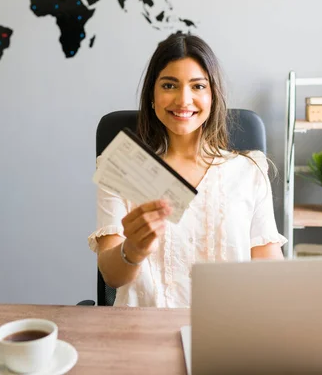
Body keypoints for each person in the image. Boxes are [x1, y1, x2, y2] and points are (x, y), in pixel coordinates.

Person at [88, 33, 287, 307]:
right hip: (142, 335)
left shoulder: (248, 171)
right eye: (169, 85)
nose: (183, 100)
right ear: (152, 96)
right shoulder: (123, 168)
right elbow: (111, 277)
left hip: (227, 334)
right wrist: (132, 249)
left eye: (198, 86)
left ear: (213, 95)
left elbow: (271, 273)